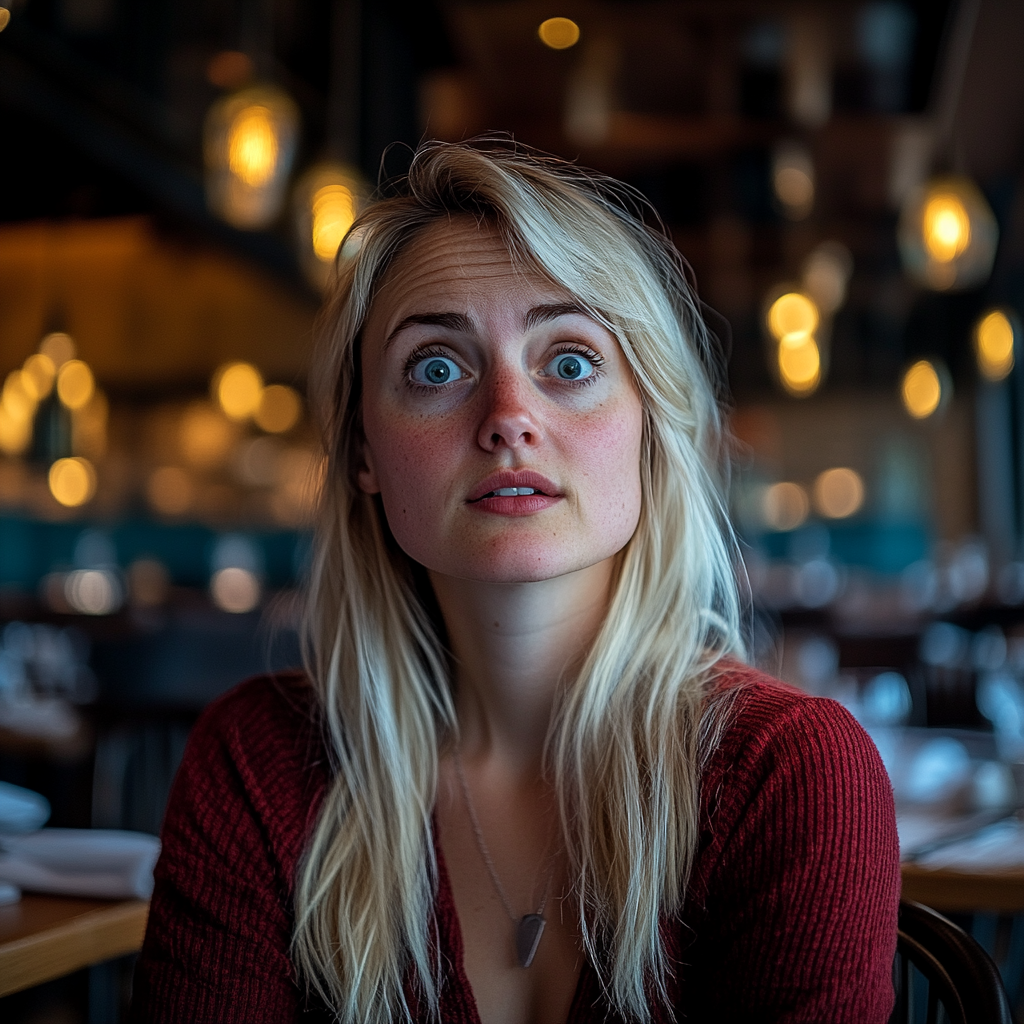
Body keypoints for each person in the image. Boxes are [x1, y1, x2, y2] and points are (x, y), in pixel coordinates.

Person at [130, 140, 900, 1024]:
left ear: (652, 424)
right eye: (436, 367)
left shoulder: (789, 776)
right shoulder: (260, 767)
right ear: (364, 455)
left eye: (569, 362)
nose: (508, 419)